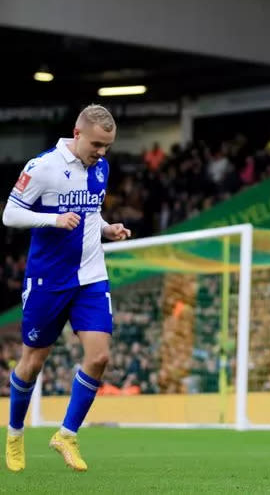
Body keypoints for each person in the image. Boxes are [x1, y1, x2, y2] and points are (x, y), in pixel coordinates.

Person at [3, 105, 131, 473]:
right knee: (32, 363)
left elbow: (91, 213)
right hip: (48, 281)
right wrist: (53, 219)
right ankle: (14, 433)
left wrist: (107, 229)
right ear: (77, 134)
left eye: (107, 146)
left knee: (100, 356)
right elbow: (10, 214)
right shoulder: (42, 167)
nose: (102, 153)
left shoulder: (101, 168)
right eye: (97, 144)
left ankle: (66, 434)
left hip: (90, 276)